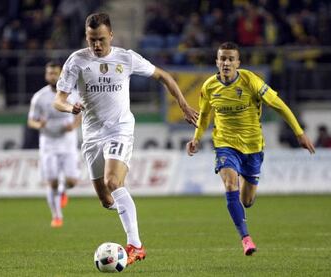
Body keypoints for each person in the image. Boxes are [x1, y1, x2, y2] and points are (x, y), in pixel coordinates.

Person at [53, 13, 198, 265]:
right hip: (91, 134)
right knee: (105, 198)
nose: (96, 46)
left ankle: (135, 245)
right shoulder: (76, 61)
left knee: (113, 180)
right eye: (91, 40)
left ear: (111, 35)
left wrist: (184, 105)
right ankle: (124, 208)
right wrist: (70, 108)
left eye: (100, 40)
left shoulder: (126, 58)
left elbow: (164, 76)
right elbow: (59, 99)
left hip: (119, 129)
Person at [186, 42, 315, 256]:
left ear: (238, 62)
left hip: (254, 146)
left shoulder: (250, 80)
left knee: (247, 201)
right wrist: (196, 138)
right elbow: (206, 114)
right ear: (216, 62)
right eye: (222, 59)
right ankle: (246, 238)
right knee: (229, 184)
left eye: (230, 59)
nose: (226, 62)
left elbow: (279, 105)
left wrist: (299, 132)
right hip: (225, 144)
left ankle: (247, 184)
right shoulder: (209, 86)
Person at [28, 61, 81, 228]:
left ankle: (63, 190)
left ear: (61, 75)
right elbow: (31, 121)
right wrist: (39, 125)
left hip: (67, 142)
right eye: (49, 73)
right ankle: (57, 216)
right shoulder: (39, 97)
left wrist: (73, 125)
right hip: (48, 144)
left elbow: (80, 114)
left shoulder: (72, 94)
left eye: (54, 73)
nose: (51, 76)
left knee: (72, 181)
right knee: (52, 181)